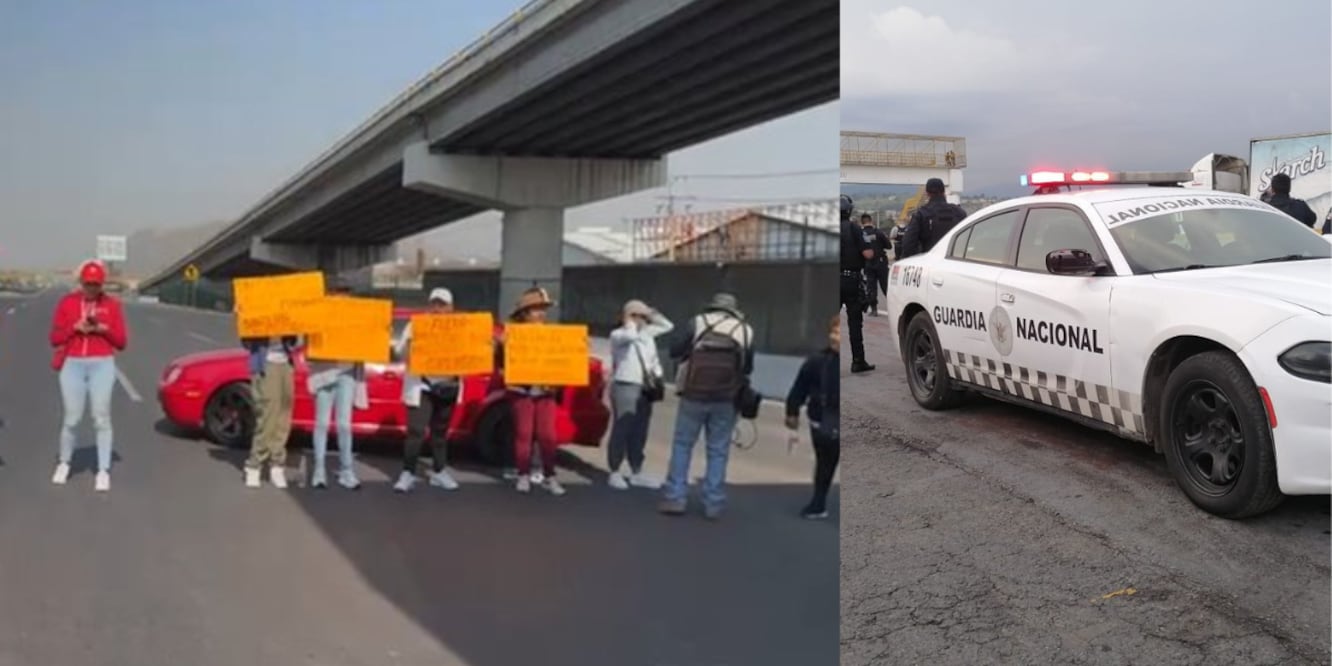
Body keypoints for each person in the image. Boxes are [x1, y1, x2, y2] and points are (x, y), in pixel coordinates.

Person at [658, 292, 754, 520]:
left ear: (711, 307)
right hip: (726, 397)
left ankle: (675, 497)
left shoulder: (697, 322)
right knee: (718, 450)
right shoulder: (745, 330)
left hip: (693, 394)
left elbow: (674, 350)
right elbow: (747, 367)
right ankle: (713, 503)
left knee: (683, 445)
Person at [49, 259, 128, 491]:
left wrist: (104, 329)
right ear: (81, 282)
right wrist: (74, 327)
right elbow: (54, 338)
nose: (91, 288)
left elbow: (122, 342)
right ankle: (64, 463)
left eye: (95, 284)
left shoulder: (112, 305)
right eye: (87, 283)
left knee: (101, 417)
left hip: (102, 364)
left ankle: (103, 470)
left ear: (101, 284)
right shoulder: (68, 303)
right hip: (73, 363)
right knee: (71, 418)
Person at [496, 287, 566, 496]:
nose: (541, 313)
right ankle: (523, 474)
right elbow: (499, 363)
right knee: (524, 434)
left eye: (543, 309)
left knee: (548, 435)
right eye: (536, 309)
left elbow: (563, 362)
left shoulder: (553, 334)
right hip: (521, 390)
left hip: (546, 391)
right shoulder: (510, 335)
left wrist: (578, 348)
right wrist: (502, 347)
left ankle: (549, 476)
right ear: (524, 313)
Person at [392, 287, 462, 493]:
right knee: (416, 430)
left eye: (443, 305)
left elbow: (472, 352)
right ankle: (408, 472)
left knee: (440, 433)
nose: (438, 309)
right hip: (422, 385)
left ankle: (439, 471)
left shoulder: (460, 328)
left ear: (451, 307)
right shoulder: (416, 325)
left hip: (448, 386)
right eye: (435, 304)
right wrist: (410, 346)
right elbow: (398, 350)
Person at [606, 299, 673, 490]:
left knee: (640, 429)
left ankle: (637, 470)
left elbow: (668, 325)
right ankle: (614, 470)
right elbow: (629, 336)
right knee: (623, 427)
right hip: (625, 384)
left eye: (642, 316)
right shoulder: (618, 334)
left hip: (645, 387)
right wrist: (628, 321)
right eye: (637, 315)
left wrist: (651, 313)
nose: (641, 319)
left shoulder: (647, 333)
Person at [306, 282, 366, 490]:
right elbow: (307, 341)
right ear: (330, 295)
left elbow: (370, 338)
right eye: (337, 293)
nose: (342, 298)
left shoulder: (357, 316)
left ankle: (346, 470)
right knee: (321, 423)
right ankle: (319, 470)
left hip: (346, 374)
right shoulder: (319, 315)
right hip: (324, 374)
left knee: (344, 424)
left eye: (345, 294)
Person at [785, 314, 840, 520]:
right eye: (833, 332)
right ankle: (818, 503)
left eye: (839, 333)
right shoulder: (817, 360)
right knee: (824, 463)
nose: (834, 337)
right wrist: (792, 411)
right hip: (821, 421)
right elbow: (800, 387)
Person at [242, 332, 300, 489]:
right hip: (266, 363)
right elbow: (246, 338)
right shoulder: (258, 308)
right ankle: (254, 464)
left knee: (284, 414)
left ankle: (277, 464)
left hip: (285, 364)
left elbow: (295, 337)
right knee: (268, 415)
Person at [840, 194, 875, 374]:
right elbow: (868, 254)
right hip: (851, 279)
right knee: (854, 322)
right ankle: (858, 360)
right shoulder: (854, 229)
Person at [900, 177, 968, 259]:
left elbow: (908, 245)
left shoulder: (921, 214)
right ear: (944, 192)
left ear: (927, 193)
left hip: (929, 262)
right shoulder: (960, 213)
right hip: (955, 262)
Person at [860, 213, 891, 316]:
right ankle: (893, 309)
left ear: (862, 222)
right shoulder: (879, 232)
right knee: (886, 286)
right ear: (871, 221)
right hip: (881, 262)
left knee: (871, 286)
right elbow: (889, 246)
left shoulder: (860, 234)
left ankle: (874, 310)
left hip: (868, 263)